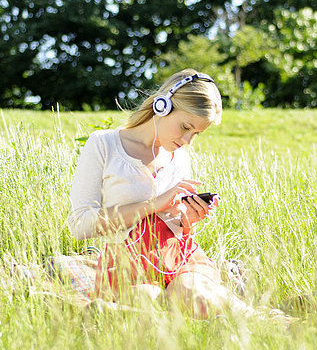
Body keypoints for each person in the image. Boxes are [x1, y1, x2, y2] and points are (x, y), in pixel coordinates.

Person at [67, 69, 268, 320]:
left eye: (196, 133)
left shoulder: (179, 157)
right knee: (146, 297)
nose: (188, 140)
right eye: (185, 127)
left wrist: (188, 221)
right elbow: (79, 226)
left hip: (180, 260)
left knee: (190, 292)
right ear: (163, 106)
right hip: (125, 267)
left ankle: (265, 323)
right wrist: (153, 204)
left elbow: (178, 229)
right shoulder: (104, 145)